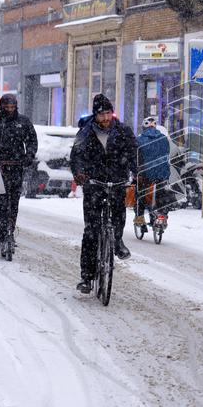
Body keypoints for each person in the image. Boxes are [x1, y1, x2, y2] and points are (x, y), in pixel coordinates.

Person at [70, 93, 138, 294]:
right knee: (91, 230)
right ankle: (87, 277)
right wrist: (80, 173)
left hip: (117, 181)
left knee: (118, 215)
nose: (106, 118)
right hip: (94, 183)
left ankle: (117, 240)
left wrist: (136, 172)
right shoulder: (85, 133)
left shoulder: (123, 131)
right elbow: (76, 156)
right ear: (95, 116)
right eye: (102, 115)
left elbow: (134, 152)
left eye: (108, 113)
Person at [0, 94, 38, 256]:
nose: (10, 110)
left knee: (14, 202)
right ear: (1, 106)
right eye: (7, 107)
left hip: (17, 167)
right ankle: (1, 235)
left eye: (12, 107)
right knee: (1, 204)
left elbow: (32, 141)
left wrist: (29, 155)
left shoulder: (23, 122)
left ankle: (10, 231)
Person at [135, 116, 172, 228]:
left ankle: (139, 217)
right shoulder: (164, 138)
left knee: (140, 192)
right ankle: (162, 215)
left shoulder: (139, 140)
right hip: (162, 173)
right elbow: (167, 153)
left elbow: (136, 157)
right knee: (162, 192)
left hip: (146, 173)